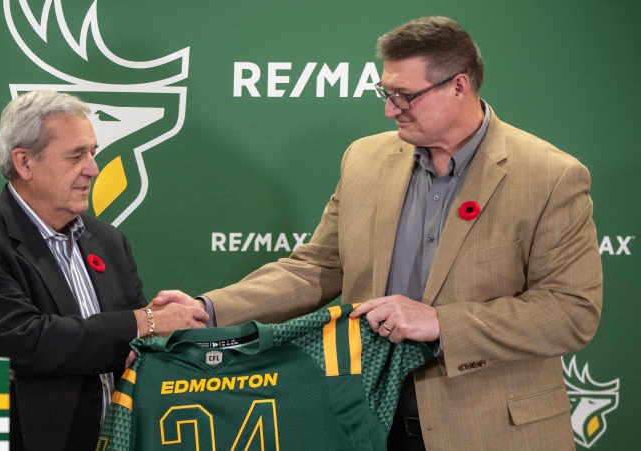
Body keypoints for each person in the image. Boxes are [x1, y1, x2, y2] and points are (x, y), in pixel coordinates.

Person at [154, 16, 602, 451]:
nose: (390, 110)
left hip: (495, 433)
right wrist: (208, 310)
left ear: (459, 86)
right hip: (365, 425)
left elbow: (571, 311)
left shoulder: (550, 176)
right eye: (385, 94)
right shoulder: (364, 159)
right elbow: (318, 266)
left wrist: (441, 322)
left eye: (404, 96)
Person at [0, 90, 208, 451]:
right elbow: (27, 343)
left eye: (93, 152)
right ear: (25, 163)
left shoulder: (109, 241)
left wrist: (160, 333)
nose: (93, 168)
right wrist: (146, 322)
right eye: (76, 155)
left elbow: (135, 344)